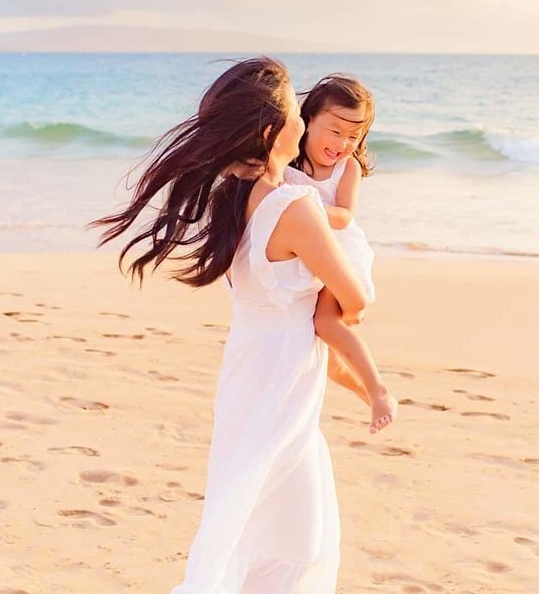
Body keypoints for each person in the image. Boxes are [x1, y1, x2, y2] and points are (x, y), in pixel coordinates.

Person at [90, 57, 367, 592]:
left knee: (245, 510)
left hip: (249, 367)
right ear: (273, 129)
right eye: (294, 114)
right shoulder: (294, 205)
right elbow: (352, 298)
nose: (302, 124)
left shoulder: (233, 194)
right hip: (282, 374)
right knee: (294, 533)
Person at [285, 74, 397, 433]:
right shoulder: (289, 160)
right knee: (327, 357)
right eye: (335, 131)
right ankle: (369, 395)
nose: (343, 143)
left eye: (354, 136)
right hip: (308, 255)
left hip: (341, 252)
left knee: (325, 324)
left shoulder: (346, 168)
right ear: (308, 120)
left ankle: (378, 388)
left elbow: (345, 215)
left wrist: (306, 206)